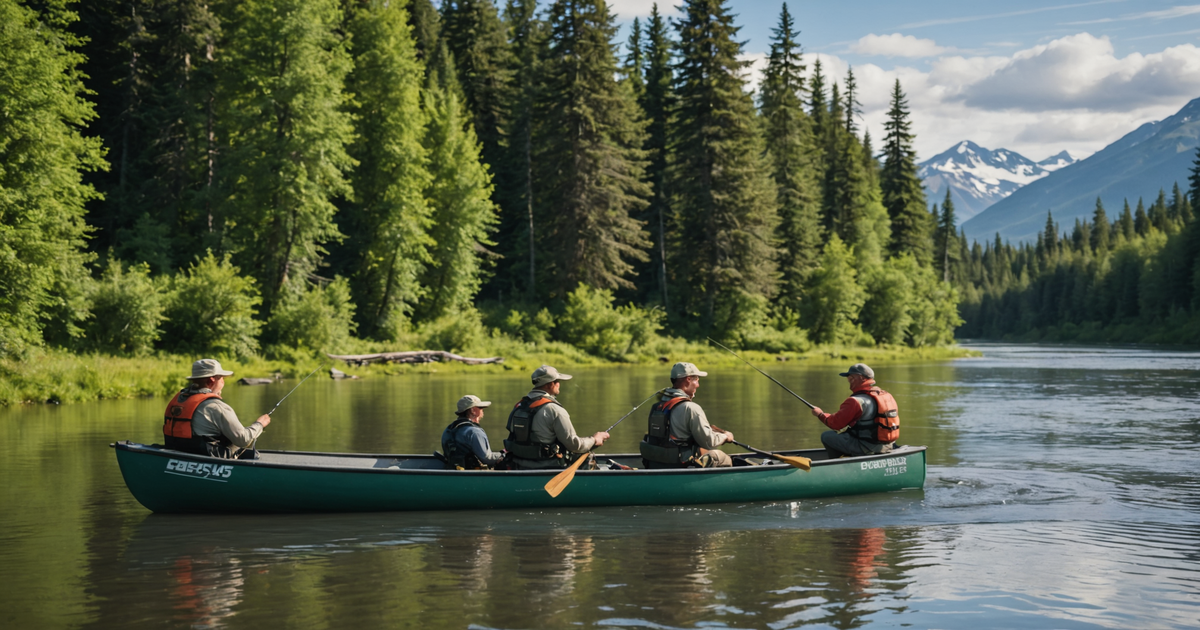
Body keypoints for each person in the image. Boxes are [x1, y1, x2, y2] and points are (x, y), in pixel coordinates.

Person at [504, 365, 609, 469]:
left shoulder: (519, 406)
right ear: (550, 385)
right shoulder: (554, 410)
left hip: (519, 464)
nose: (559, 384)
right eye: (557, 381)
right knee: (584, 457)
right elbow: (574, 445)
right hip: (548, 465)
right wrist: (594, 439)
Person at [162, 359, 271, 459]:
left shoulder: (180, 399)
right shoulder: (216, 407)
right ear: (211, 381)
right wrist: (260, 424)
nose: (223, 382)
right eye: (222, 379)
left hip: (179, 453)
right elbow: (243, 440)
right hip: (206, 459)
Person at [639, 362, 734, 468]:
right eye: (697, 380)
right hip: (678, 463)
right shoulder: (691, 408)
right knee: (721, 457)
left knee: (702, 450)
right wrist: (725, 436)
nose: (698, 385)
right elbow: (708, 441)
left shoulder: (657, 407)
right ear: (688, 379)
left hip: (655, 463)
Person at [810, 363, 899, 458]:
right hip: (887, 446)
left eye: (851, 377)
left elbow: (835, 424)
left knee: (827, 436)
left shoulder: (855, 401)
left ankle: (837, 463)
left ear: (861, 378)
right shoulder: (886, 396)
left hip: (866, 447)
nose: (849, 380)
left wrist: (820, 414)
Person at [441, 395, 503, 469]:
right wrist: (503, 454)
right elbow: (487, 459)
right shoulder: (475, 432)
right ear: (473, 411)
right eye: (480, 408)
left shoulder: (449, 429)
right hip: (471, 474)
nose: (482, 411)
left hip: (452, 470)